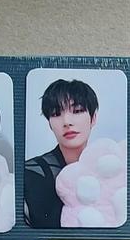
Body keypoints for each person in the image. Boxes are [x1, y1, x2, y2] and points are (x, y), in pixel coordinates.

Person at [24, 79, 99, 227]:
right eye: (56, 113)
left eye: (77, 111)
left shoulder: (110, 169)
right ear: (49, 123)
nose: (67, 122)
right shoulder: (30, 174)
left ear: (93, 118)